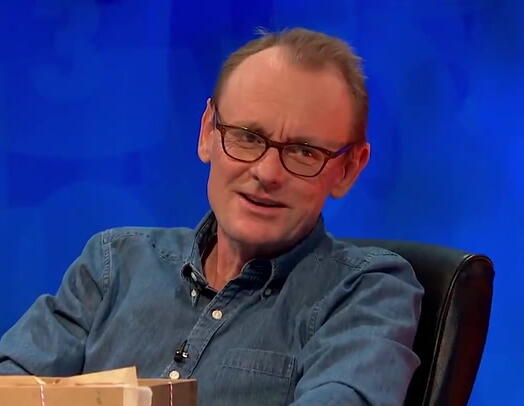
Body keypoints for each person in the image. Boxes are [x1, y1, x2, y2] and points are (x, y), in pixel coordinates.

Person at [0, 28, 423, 405]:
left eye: (304, 151)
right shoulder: (114, 263)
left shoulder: (366, 291)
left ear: (348, 169)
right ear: (207, 133)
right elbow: (11, 386)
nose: (267, 173)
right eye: (247, 137)